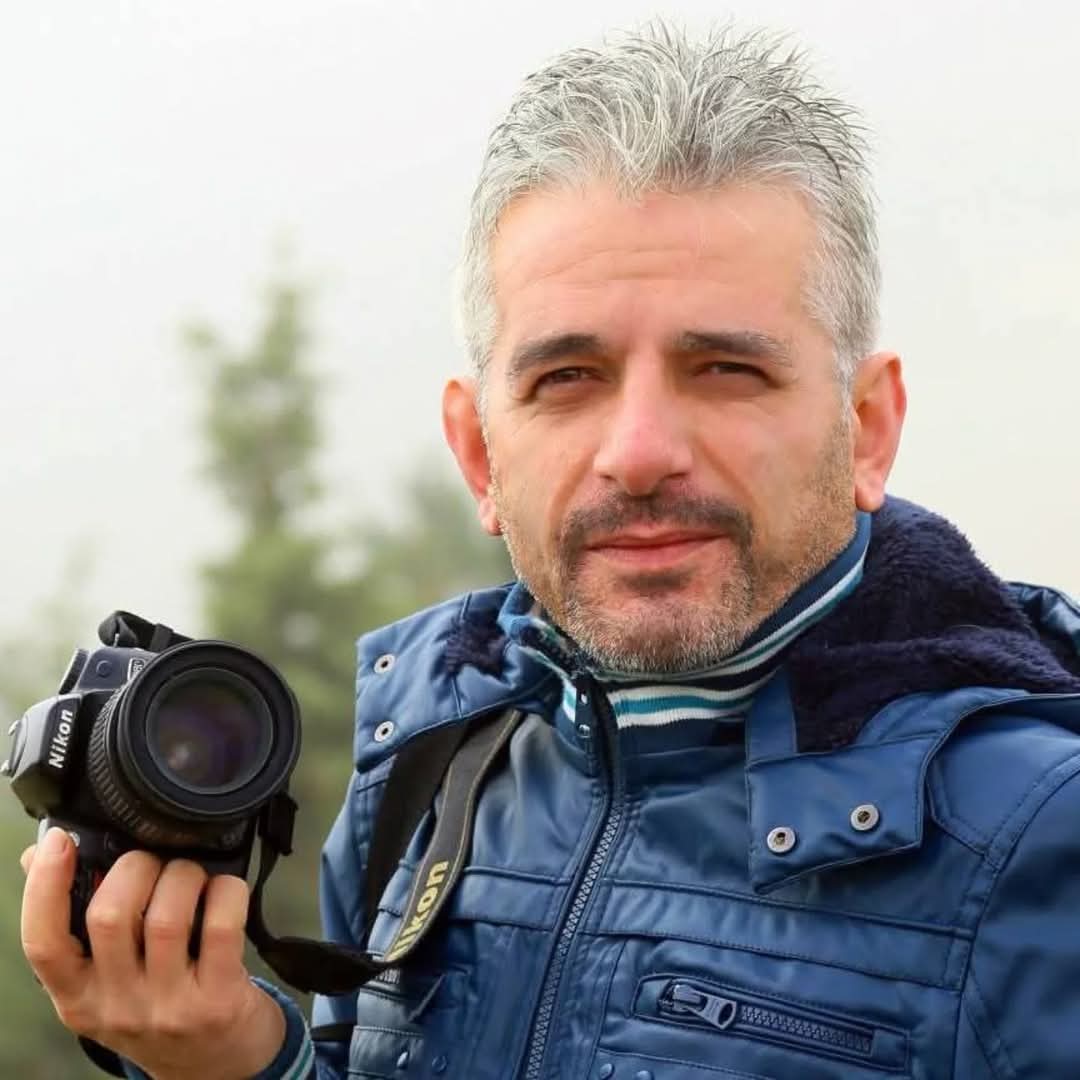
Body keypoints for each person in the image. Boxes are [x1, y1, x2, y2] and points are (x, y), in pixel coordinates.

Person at [20, 22, 1080, 1080]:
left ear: (868, 428)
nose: (641, 453)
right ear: (481, 453)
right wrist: (236, 1061)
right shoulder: (427, 761)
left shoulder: (1044, 840)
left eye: (725, 370)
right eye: (567, 378)